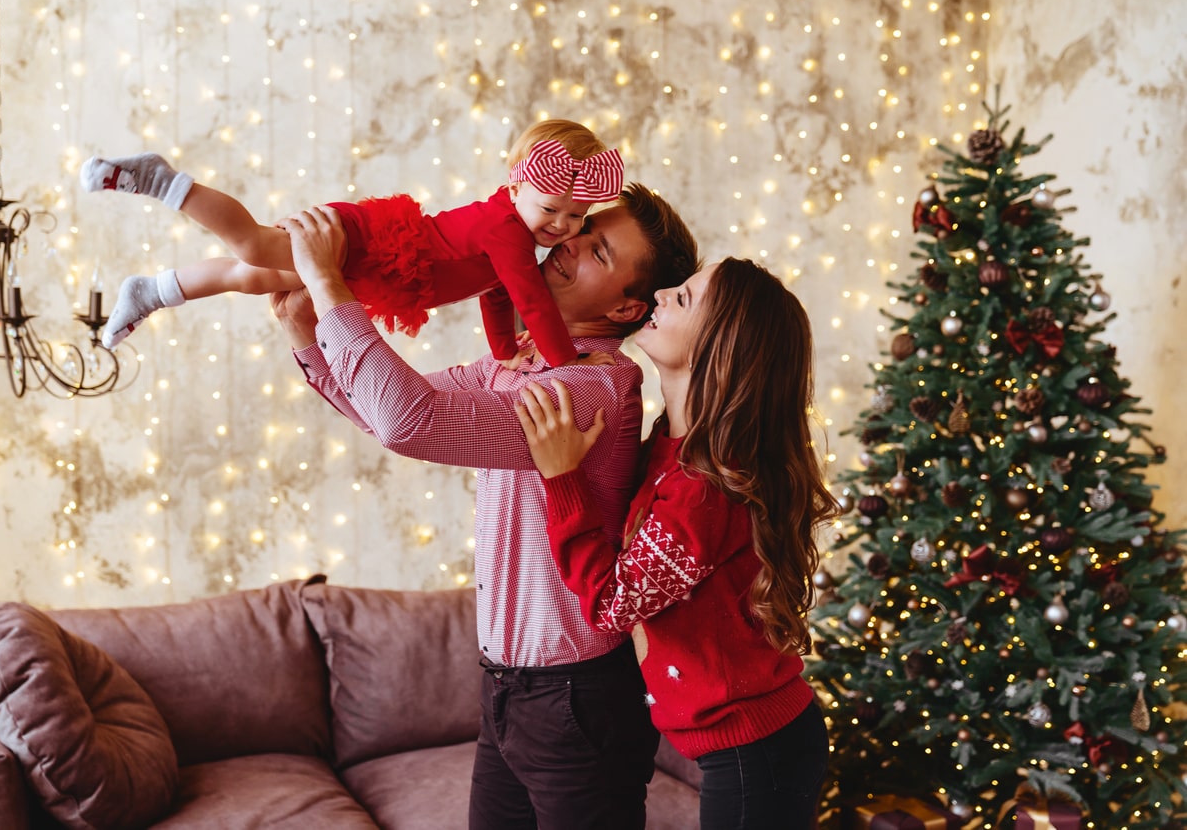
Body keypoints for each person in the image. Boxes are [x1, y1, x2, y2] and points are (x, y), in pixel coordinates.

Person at [272, 186, 699, 830]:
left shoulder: (595, 388)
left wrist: (331, 286)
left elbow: (405, 420)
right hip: (507, 688)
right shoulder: (518, 366)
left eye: (598, 250)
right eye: (581, 229)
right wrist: (305, 330)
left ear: (627, 306)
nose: (568, 242)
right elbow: (389, 407)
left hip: (575, 700)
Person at [512, 257, 838, 830]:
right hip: (746, 744)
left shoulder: (705, 488)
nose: (662, 292)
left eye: (684, 299)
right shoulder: (670, 444)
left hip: (756, 751)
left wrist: (562, 479)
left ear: (721, 348)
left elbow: (614, 604)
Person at [80, 118, 623, 367]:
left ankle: (151, 292)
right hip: (366, 246)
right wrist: (564, 361)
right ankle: (159, 180)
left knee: (251, 278)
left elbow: (498, 295)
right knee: (251, 247)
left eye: (577, 217)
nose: (562, 227)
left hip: (372, 266)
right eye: (551, 210)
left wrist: (505, 350)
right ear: (515, 186)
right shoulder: (506, 229)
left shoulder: (516, 242)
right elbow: (530, 300)